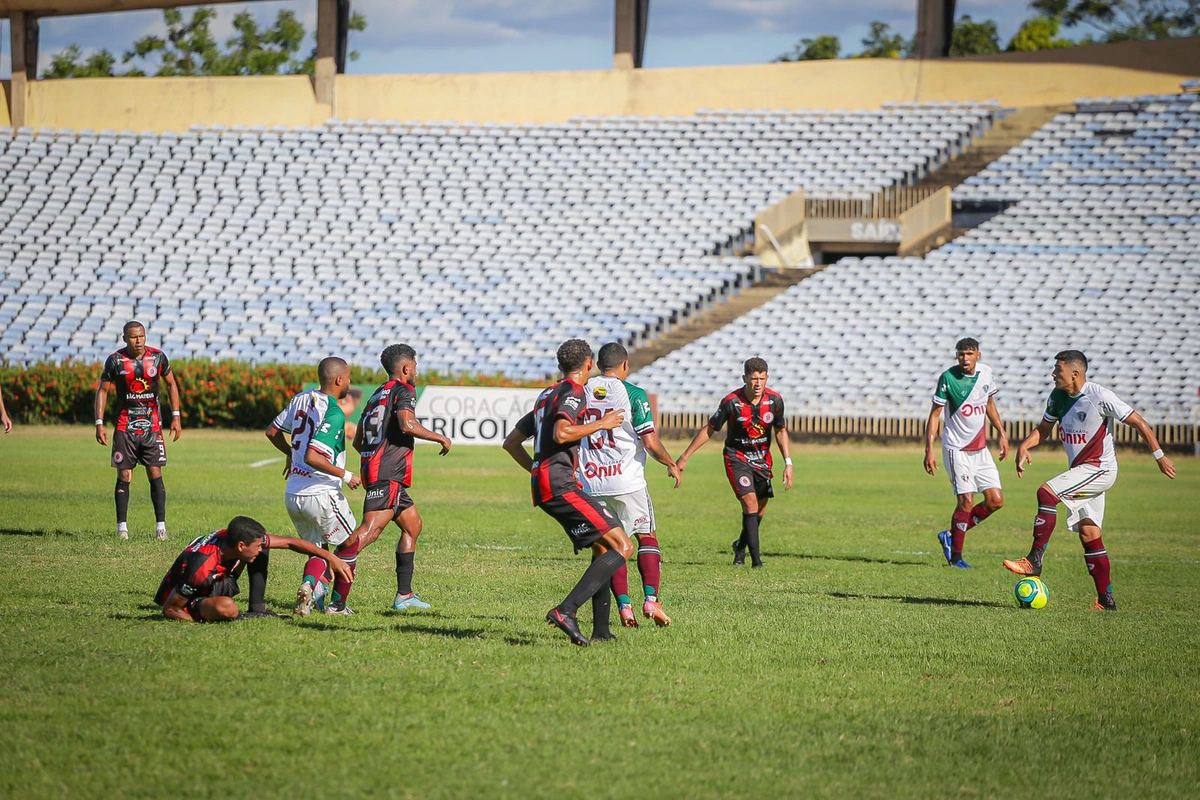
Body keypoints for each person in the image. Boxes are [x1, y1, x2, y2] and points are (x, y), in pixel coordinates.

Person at [1002, 350, 1176, 610]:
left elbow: (1139, 422)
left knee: (1046, 493)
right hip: (1082, 471)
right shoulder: (1058, 397)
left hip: (1100, 469)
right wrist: (1025, 445)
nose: (1052, 374)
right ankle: (1106, 602)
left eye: (1057, 370)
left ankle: (1034, 560)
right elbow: (1045, 429)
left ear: (1075, 373)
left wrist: (1159, 456)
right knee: (1089, 533)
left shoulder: (1100, 396)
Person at [503, 338, 634, 647]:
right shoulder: (572, 392)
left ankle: (601, 630)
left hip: (548, 484)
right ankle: (566, 611)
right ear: (589, 363)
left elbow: (511, 442)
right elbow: (562, 432)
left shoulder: (546, 394)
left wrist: (538, 472)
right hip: (561, 484)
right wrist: (602, 423)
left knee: (603, 548)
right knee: (622, 546)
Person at [336, 344, 452, 615]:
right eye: (415, 365)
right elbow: (406, 424)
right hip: (387, 473)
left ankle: (404, 595)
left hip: (382, 471)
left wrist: (374, 458)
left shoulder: (376, 395)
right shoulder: (404, 389)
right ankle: (326, 581)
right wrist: (440, 437)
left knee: (413, 525)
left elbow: (359, 441)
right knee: (368, 532)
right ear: (405, 368)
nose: (416, 370)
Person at [578, 342, 681, 629]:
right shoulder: (634, 394)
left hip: (591, 482)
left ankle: (624, 607)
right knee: (646, 536)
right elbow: (649, 441)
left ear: (598, 365)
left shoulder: (582, 390)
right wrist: (670, 463)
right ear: (625, 365)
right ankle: (650, 599)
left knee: (611, 547)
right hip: (627, 481)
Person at [264, 357, 361, 617]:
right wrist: (346, 474)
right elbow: (313, 456)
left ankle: (310, 585)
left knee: (319, 548)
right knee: (351, 543)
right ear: (339, 380)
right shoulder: (334, 412)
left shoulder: (301, 399)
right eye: (349, 377)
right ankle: (337, 606)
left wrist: (289, 453)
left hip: (293, 494)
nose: (350, 382)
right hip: (320, 493)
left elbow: (272, 431)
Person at [676, 357, 792, 568]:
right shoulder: (732, 401)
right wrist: (685, 456)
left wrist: (788, 463)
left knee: (760, 510)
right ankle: (756, 562)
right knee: (750, 502)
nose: (758, 383)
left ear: (767, 378)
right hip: (736, 457)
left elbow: (780, 430)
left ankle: (740, 545)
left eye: (762, 379)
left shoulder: (775, 401)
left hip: (762, 461)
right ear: (745, 378)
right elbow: (710, 429)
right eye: (754, 378)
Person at [155, 515, 352, 622]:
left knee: (262, 549)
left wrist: (329, 556)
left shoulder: (231, 540)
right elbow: (171, 609)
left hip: (216, 580)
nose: (260, 547)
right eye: (254, 545)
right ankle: (227, 609)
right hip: (193, 595)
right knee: (228, 608)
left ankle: (257, 608)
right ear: (241, 545)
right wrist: (199, 618)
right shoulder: (201, 566)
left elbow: (290, 543)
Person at [923, 337, 1009, 568]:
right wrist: (929, 449)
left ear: (978, 355)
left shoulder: (986, 374)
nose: (965, 358)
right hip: (956, 449)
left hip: (980, 450)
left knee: (995, 501)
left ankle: (950, 536)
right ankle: (956, 558)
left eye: (969, 354)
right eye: (961, 354)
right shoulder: (948, 378)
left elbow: (989, 405)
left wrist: (1001, 432)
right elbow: (934, 415)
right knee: (966, 500)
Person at [94, 321, 182, 541]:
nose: (139, 341)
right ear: (125, 338)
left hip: (152, 425)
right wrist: (99, 422)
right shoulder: (115, 361)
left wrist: (176, 417)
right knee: (124, 474)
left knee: (155, 472)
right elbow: (103, 390)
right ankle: (122, 527)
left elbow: (171, 384)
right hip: (125, 425)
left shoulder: (158, 357)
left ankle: (161, 526)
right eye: (134, 337)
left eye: (141, 336)